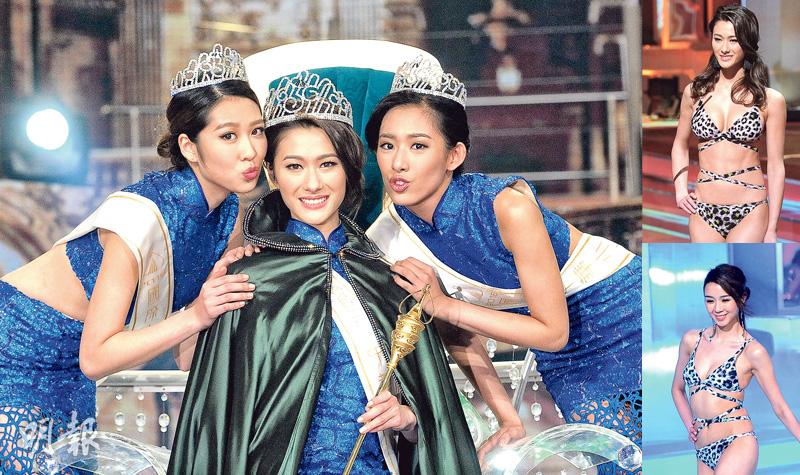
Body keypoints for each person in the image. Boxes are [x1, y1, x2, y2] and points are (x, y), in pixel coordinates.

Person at [168, 71, 479, 474]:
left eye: (327, 164)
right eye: (294, 166)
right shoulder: (248, 280)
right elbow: (215, 416)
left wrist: (408, 418)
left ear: (348, 170)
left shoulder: (388, 281)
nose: (312, 183)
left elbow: (438, 422)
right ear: (272, 174)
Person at [365, 57, 642, 474]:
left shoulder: (505, 207)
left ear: (454, 154)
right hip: (563, 353)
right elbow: (455, 332)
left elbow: (552, 331)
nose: (398, 163)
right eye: (387, 145)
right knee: (614, 459)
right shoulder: (388, 238)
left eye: (418, 146)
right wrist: (507, 419)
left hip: (619, 308)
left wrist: (444, 305)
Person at [0, 44, 265, 473]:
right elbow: (97, 358)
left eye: (257, 131)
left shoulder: (224, 215)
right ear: (189, 146)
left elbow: (185, 355)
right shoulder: (143, 218)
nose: (250, 150)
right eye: (228, 136)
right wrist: (197, 313)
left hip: (70, 372)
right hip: (15, 351)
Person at [671, 5, 786, 243]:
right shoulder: (694, 92)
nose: (724, 48)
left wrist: (772, 228)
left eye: (733, 40)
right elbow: (680, 144)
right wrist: (680, 190)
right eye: (718, 39)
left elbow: (776, 166)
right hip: (703, 209)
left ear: (747, 42)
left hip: (751, 209)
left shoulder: (770, 100)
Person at [672, 264, 800, 474]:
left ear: (742, 298)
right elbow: (677, 389)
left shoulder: (753, 351)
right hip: (702, 450)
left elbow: (780, 407)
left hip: (738, 441)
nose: (717, 308)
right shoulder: (691, 340)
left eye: (725, 300)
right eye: (710, 300)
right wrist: (689, 425)